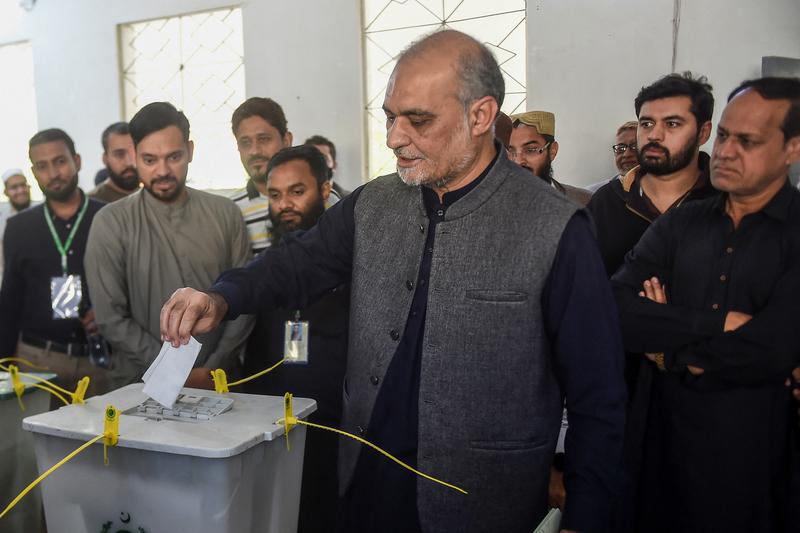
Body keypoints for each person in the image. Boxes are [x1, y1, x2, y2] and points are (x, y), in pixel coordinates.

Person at [160, 29, 625, 533]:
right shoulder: (374, 204)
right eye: (389, 116)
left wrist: (586, 514)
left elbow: (597, 395)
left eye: (417, 120)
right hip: (367, 481)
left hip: (481, 499)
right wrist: (220, 297)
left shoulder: (553, 228)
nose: (394, 138)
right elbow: (297, 263)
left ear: (480, 116)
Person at [612, 77, 800, 533]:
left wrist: (666, 349)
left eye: (748, 141)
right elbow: (616, 307)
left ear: (792, 149)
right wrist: (717, 323)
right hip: (663, 448)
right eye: (726, 137)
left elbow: (773, 349)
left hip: (759, 459)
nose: (727, 151)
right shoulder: (685, 222)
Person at [84, 102, 253, 389]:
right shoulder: (111, 222)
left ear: (190, 150)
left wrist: (213, 368)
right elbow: (111, 318)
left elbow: (246, 298)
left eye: (173, 157)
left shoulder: (225, 214)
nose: (162, 170)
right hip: (138, 385)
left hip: (220, 382)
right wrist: (176, 373)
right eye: (150, 160)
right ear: (135, 156)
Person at [243, 144, 349, 533]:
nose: (284, 204)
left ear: (325, 189)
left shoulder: (355, 265)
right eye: (275, 195)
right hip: (274, 435)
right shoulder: (265, 272)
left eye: (297, 192)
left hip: (334, 433)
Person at [0, 129, 108, 398]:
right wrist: (4, 361)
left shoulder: (107, 217)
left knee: (99, 439)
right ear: (34, 173)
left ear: (77, 161)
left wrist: (109, 311)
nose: (53, 173)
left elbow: (131, 283)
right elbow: (10, 298)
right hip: (36, 359)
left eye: (60, 161)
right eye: (42, 166)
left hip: (98, 360)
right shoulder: (18, 227)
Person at [588, 73, 719, 277]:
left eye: (672, 124)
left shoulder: (726, 200)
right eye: (647, 123)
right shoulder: (606, 203)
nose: (654, 135)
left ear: (703, 133)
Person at [508, 110, 592, 205]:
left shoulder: (584, 202)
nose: (518, 161)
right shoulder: (492, 204)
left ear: (553, 150)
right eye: (510, 152)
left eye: (530, 150)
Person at [88, 122, 140, 203]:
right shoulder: (93, 203)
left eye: (135, 153)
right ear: (105, 159)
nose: (129, 162)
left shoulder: (155, 196)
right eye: (120, 154)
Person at [0, 168, 33, 280]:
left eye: (23, 185)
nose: (20, 190)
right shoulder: (2, 219)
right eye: (14, 187)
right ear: (5, 192)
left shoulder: (43, 213)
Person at [304, 134, 349, 198]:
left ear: (334, 165)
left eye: (323, 158)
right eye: (312, 158)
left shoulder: (350, 199)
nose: (317, 163)